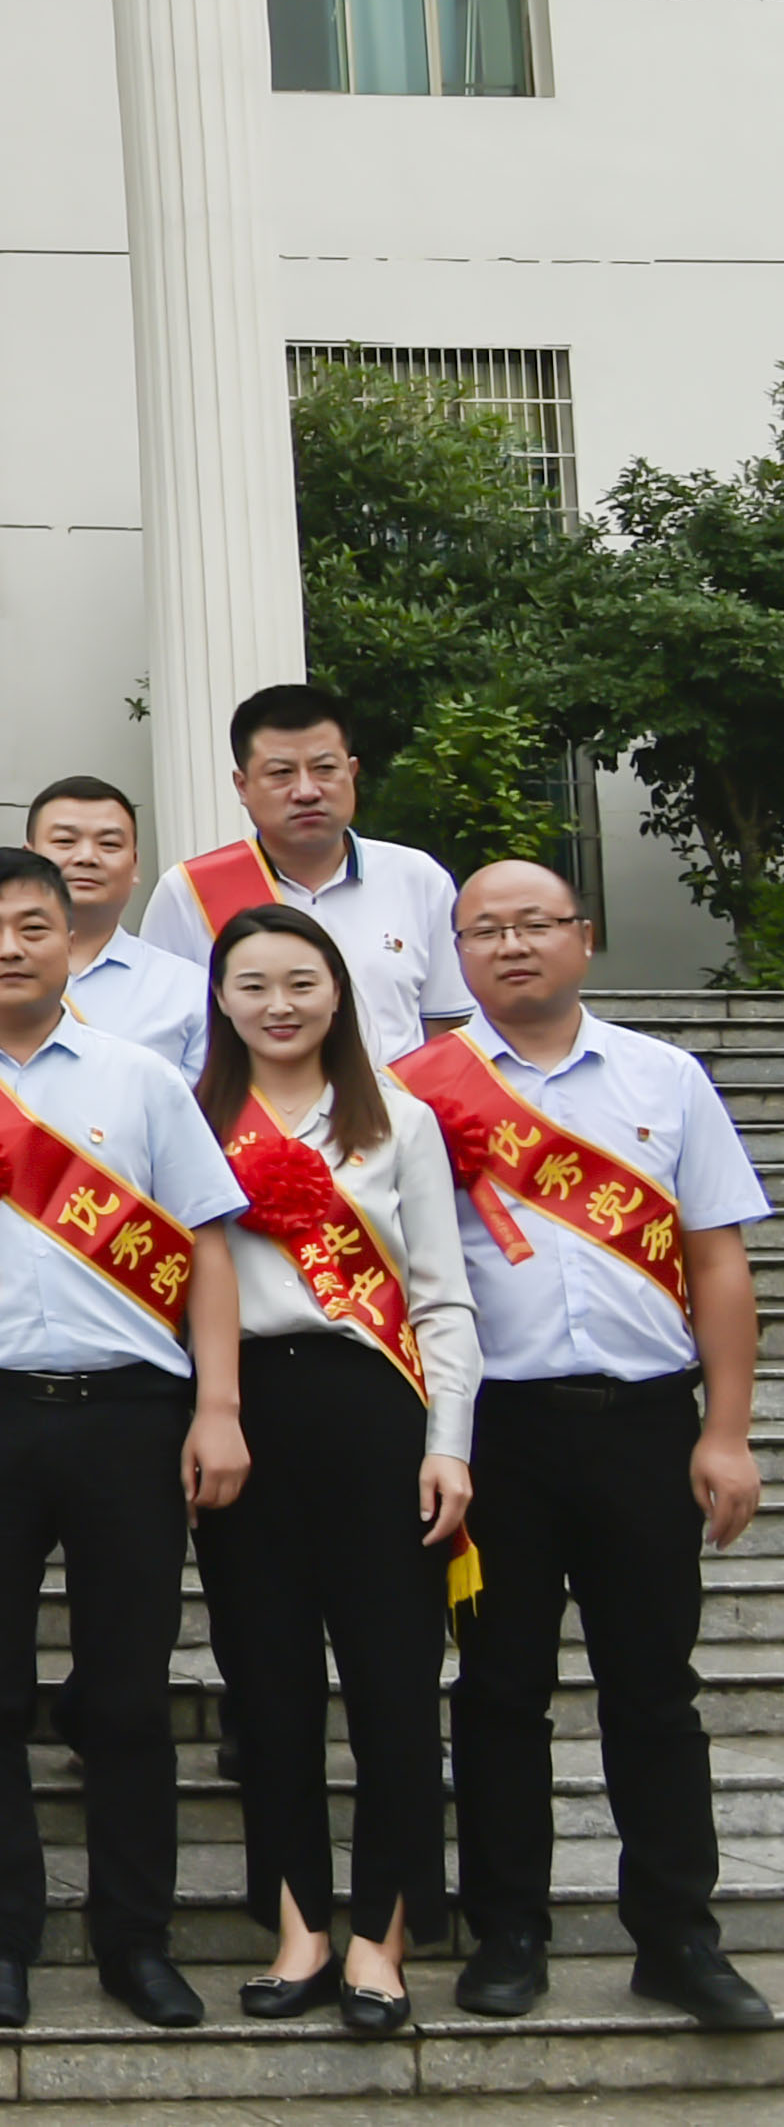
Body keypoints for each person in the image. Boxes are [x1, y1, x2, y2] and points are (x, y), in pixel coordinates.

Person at [0, 848, 251, 2031]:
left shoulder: (142, 1079)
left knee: (126, 1692)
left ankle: (135, 1938)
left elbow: (207, 1246)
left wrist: (218, 1405)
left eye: (31, 924)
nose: (9, 946)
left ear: (67, 938)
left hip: (127, 1415)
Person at [402, 861, 773, 2032]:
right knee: (497, 1688)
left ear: (583, 935)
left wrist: (725, 1430)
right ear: (456, 950)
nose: (510, 944)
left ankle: (676, 1936)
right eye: (484, 928)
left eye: (534, 923)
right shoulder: (414, 1090)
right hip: (492, 1435)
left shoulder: (664, 1077)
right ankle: (506, 1929)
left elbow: (715, 1258)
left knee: (653, 1689)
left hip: (643, 1423)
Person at [192, 903, 478, 2037]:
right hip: (243, 1414)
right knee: (266, 1685)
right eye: (252, 984)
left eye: (300, 982)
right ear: (220, 999)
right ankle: (298, 1924)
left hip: (375, 1412)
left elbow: (442, 1295)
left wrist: (448, 1439)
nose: (278, 1004)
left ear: (339, 994)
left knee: (392, 1683)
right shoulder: (190, 1120)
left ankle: (381, 1936)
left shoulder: (396, 1118)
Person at [140, 683, 470, 1059]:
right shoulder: (189, 892)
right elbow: (163, 1034)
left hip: (390, 1098)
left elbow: (447, 1029)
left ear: (352, 772)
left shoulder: (418, 878)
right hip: (247, 1100)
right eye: (281, 773)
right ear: (242, 786)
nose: (306, 791)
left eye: (324, 769)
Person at [0, 776, 212, 1077]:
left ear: (134, 865)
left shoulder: (187, 988)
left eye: (109, 844)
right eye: (65, 841)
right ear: (29, 856)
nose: (86, 857)